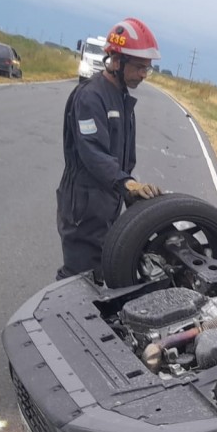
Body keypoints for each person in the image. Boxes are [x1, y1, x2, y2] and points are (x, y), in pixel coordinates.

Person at [55, 17, 164, 280]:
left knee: (103, 274)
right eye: (138, 67)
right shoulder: (91, 97)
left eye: (146, 69)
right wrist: (126, 183)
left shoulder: (122, 97)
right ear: (116, 61)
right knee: (78, 278)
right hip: (83, 204)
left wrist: (134, 196)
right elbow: (92, 152)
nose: (143, 74)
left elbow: (125, 159)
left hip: (107, 202)